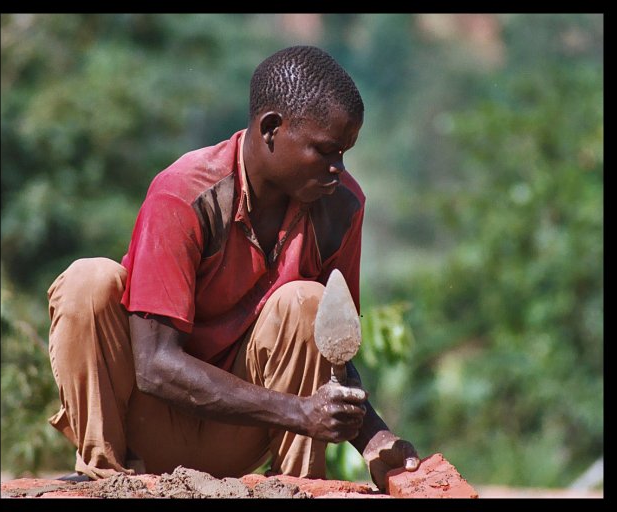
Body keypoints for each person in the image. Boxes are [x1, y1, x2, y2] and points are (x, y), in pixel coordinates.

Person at [47, 45, 420, 491]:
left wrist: (377, 441)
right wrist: (300, 413)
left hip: (242, 438)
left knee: (306, 303)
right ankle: (103, 477)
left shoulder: (340, 208)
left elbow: (330, 360)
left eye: (344, 153)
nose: (337, 169)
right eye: (325, 151)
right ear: (270, 130)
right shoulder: (184, 195)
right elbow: (154, 366)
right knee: (88, 282)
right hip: (144, 426)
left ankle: (297, 487)